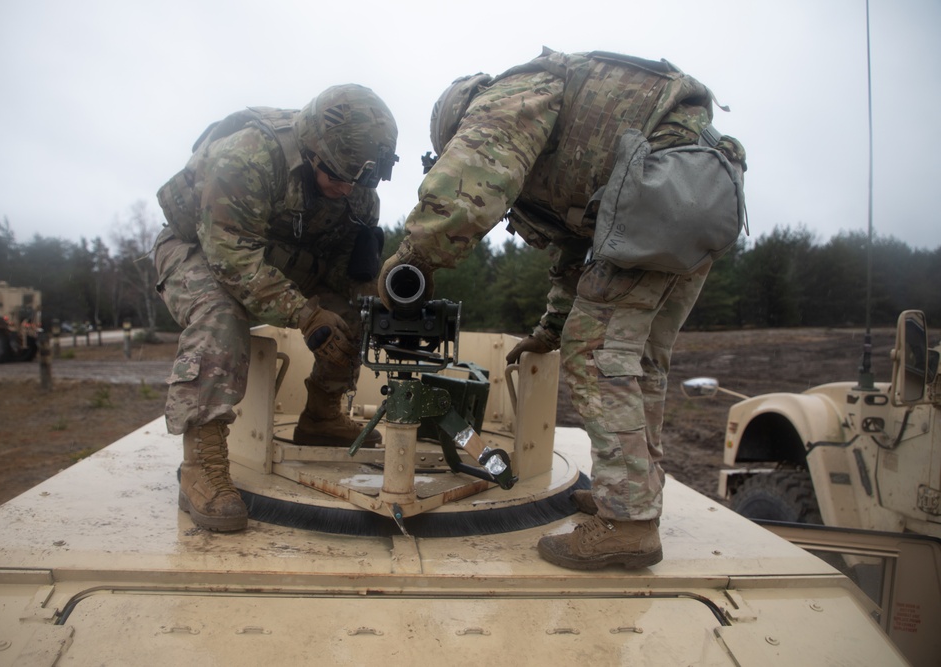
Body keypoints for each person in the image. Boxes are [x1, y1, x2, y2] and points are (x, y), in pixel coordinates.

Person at [379, 49, 747, 569]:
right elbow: (579, 252)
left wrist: (416, 254)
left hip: (663, 186)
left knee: (595, 353)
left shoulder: (505, 99)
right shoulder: (563, 129)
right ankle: (630, 497)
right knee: (639, 361)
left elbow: (472, 180)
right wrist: (550, 329)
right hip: (694, 189)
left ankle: (627, 524)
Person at [154, 84, 399, 532]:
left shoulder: (357, 187)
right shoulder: (247, 157)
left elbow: (350, 269)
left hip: (281, 256)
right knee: (220, 316)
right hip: (200, 248)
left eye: (357, 181)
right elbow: (231, 258)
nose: (346, 190)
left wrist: (374, 303)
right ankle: (201, 465)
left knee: (354, 314)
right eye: (338, 178)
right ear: (311, 152)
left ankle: (321, 416)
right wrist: (305, 315)